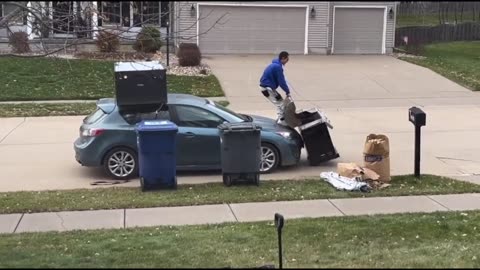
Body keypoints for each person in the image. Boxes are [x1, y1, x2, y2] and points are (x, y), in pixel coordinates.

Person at [259, 51, 291, 125]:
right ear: (283, 58)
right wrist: (287, 91)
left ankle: (280, 119)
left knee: (280, 102)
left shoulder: (275, 65)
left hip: (268, 87)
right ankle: (281, 121)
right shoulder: (277, 67)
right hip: (267, 88)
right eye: (287, 59)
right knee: (281, 103)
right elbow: (281, 82)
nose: (287, 61)